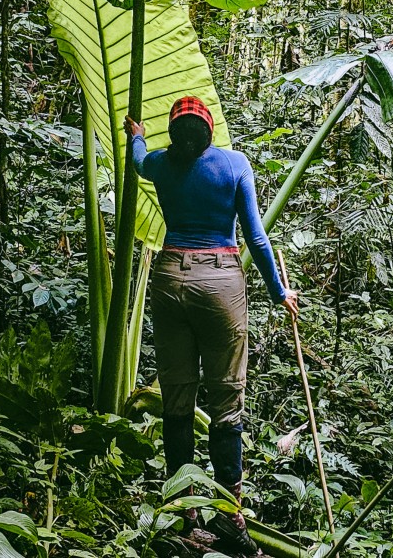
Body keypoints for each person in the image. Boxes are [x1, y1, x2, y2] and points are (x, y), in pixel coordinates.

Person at [125, 96, 297, 555]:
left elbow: (137, 159)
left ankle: (183, 513)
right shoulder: (235, 163)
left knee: (178, 398)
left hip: (169, 276)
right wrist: (281, 293)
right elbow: (256, 237)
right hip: (219, 277)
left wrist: (136, 136)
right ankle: (228, 516)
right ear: (209, 130)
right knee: (225, 401)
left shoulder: (159, 163)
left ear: (173, 131)